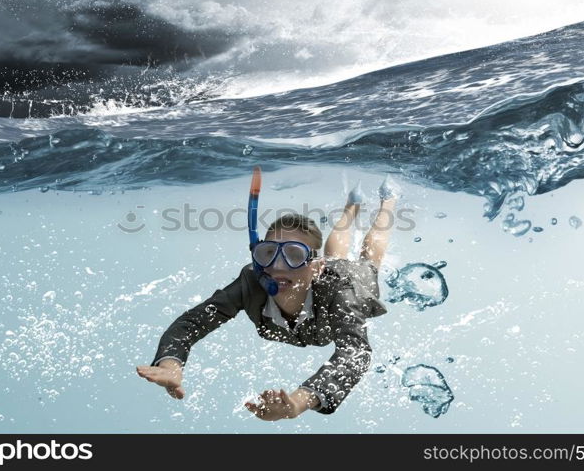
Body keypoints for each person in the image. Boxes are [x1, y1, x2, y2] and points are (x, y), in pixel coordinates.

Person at [136, 174, 401, 420]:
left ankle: (387, 201)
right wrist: (171, 362)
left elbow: (356, 353)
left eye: (294, 256)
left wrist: (300, 400)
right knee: (334, 254)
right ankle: (352, 206)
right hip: (322, 268)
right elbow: (192, 322)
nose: (279, 266)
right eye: (268, 254)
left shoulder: (341, 292)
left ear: (314, 267)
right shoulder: (252, 282)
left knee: (367, 258)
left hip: (348, 279)